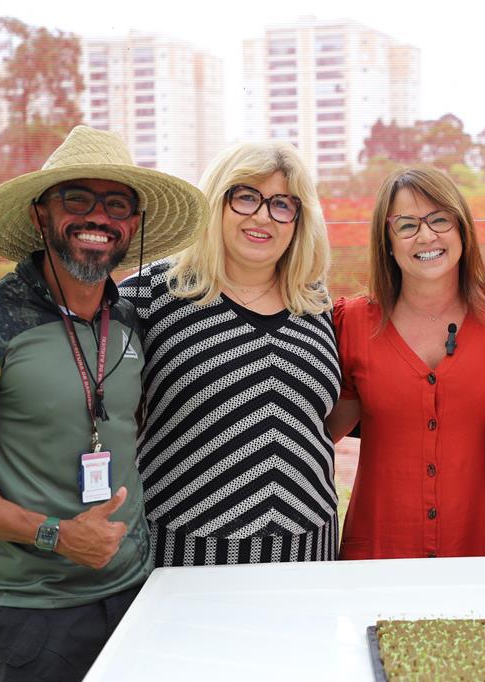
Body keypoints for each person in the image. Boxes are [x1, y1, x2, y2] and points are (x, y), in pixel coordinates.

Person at [0, 125, 206, 680]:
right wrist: (54, 533)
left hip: (135, 595)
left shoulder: (130, 321)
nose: (99, 217)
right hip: (29, 613)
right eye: (77, 198)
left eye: (117, 204)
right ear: (39, 216)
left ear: (133, 226)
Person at [119, 142, 339, 566]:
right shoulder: (150, 294)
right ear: (215, 200)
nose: (262, 216)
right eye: (246, 197)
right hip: (183, 554)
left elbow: (320, 418)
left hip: (307, 553)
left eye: (282, 204)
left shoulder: (315, 303)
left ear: (299, 219)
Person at [328, 166, 485, 560]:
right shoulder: (350, 323)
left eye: (440, 219)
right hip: (380, 553)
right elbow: (317, 436)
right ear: (386, 239)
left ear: (462, 229)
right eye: (406, 225)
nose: (426, 236)